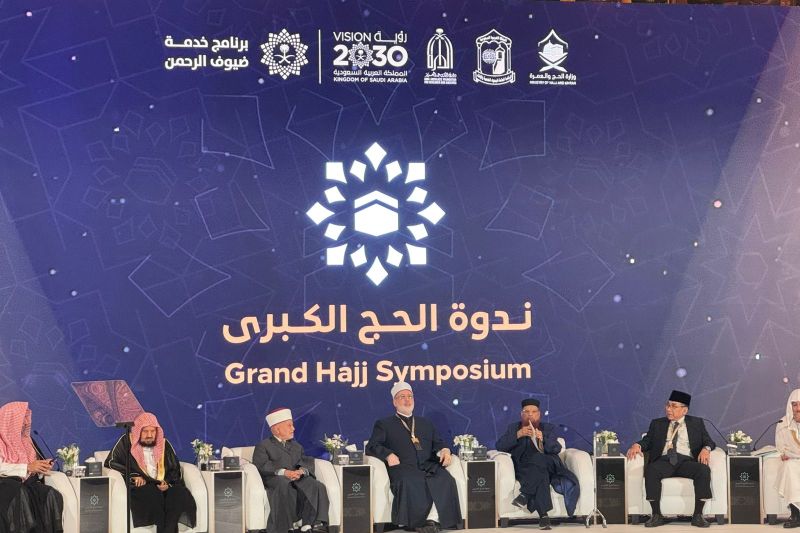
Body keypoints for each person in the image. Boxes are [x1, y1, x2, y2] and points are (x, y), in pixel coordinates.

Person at [365, 382, 461, 533]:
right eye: (402, 397)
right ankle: (417, 523)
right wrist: (388, 454)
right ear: (394, 402)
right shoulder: (384, 424)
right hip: (403, 467)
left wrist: (445, 450)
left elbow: (438, 442)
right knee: (412, 480)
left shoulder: (425, 423)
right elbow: (372, 446)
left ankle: (433, 520)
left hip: (427, 465)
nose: (407, 400)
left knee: (445, 479)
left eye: (410, 396)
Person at [626, 390, 714, 528]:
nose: (668, 409)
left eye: (673, 406)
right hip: (665, 461)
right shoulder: (657, 423)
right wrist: (638, 445)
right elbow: (647, 441)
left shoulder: (696, 423)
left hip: (686, 462)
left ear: (684, 410)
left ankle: (698, 515)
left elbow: (709, 441)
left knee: (703, 470)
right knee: (651, 470)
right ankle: (656, 515)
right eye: (667, 405)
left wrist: (706, 449)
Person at [495, 399, 580, 530]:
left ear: (539, 414)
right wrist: (518, 434)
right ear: (521, 414)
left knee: (539, 459)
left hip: (548, 462)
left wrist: (543, 439)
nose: (530, 415)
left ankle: (526, 494)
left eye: (534, 412)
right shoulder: (514, 428)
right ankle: (543, 516)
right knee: (540, 473)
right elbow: (500, 446)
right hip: (525, 467)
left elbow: (556, 448)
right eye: (527, 412)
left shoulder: (548, 428)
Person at [105, 412, 196, 533]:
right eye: (145, 431)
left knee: (179, 493)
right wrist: (133, 476)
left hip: (162, 486)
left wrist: (167, 483)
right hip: (142, 487)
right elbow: (111, 463)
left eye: (153, 431)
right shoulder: (126, 442)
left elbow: (174, 468)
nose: (149, 435)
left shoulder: (164, 444)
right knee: (154, 494)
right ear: (138, 431)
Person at [252, 408, 329, 533]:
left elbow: (303, 461)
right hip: (275, 479)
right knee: (284, 484)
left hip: (295, 477)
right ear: (277, 429)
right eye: (289, 426)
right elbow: (261, 465)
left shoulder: (296, 446)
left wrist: (301, 471)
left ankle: (312, 523)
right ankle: (286, 526)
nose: (293, 429)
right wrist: (284, 472)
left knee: (316, 485)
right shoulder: (263, 445)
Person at [0, 401, 63, 533]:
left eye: (26, 418)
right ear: (10, 419)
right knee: (20, 493)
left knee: (51, 494)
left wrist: (41, 468)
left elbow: (33, 470)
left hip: (27, 484)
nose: (26, 422)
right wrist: (27, 467)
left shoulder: (28, 441)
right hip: (5, 483)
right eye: (22, 418)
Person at [775, 388, 800, 528]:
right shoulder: (783, 423)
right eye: (794, 405)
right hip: (793, 461)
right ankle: (796, 515)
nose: (798, 408)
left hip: (795, 457)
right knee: (789, 467)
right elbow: (781, 448)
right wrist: (785, 454)